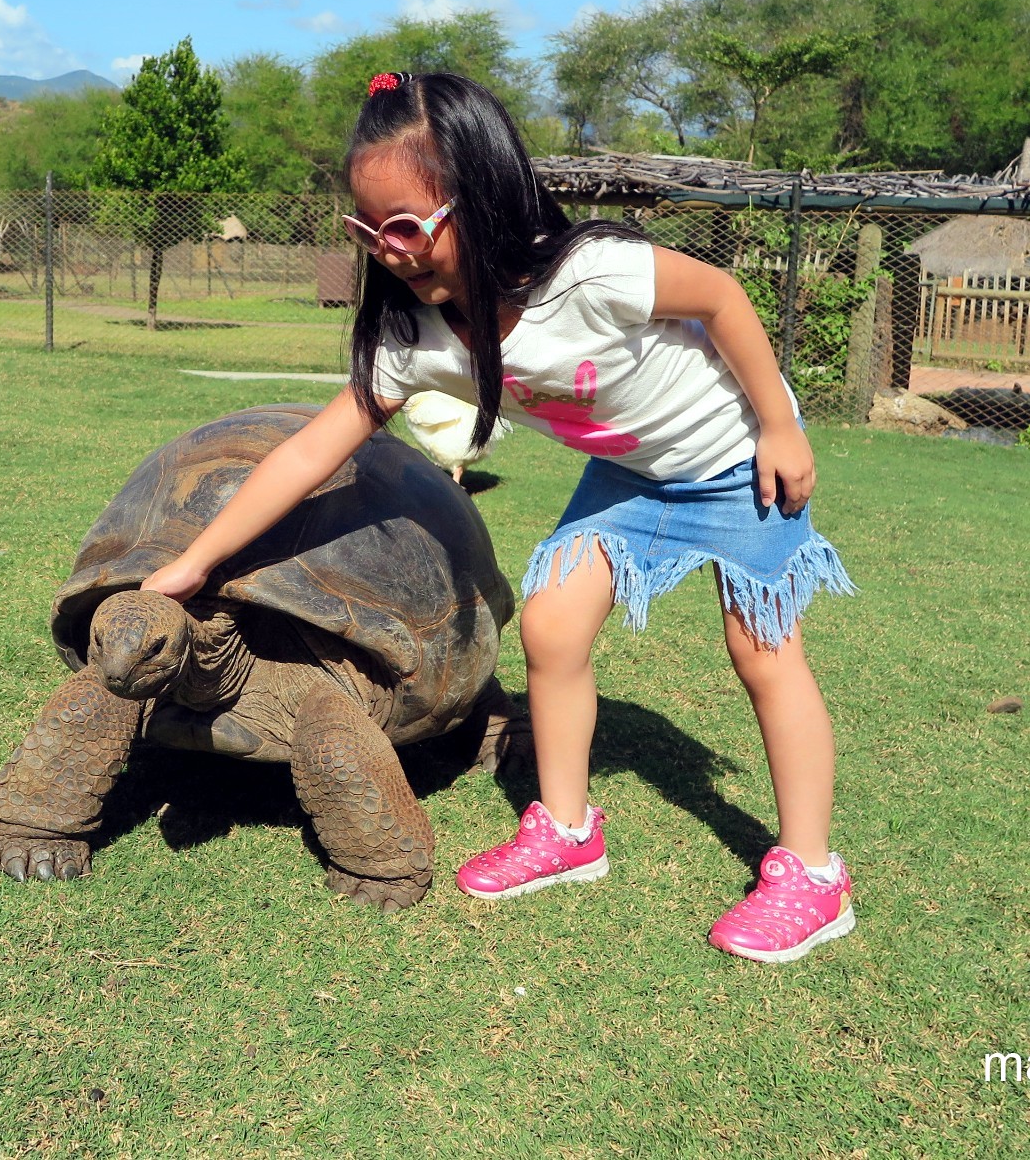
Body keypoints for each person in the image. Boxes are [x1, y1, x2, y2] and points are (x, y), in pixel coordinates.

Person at [142, 71, 858, 962]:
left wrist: (782, 426)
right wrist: (194, 561)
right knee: (553, 625)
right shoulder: (417, 338)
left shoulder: (590, 275)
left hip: (737, 453)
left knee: (763, 650)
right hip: (630, 473)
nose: (389, 252)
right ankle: (566, 829)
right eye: (369, 231)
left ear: (479, 197)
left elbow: (720, 296)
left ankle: (813, 872)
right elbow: (305, 451)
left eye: (405, 225)